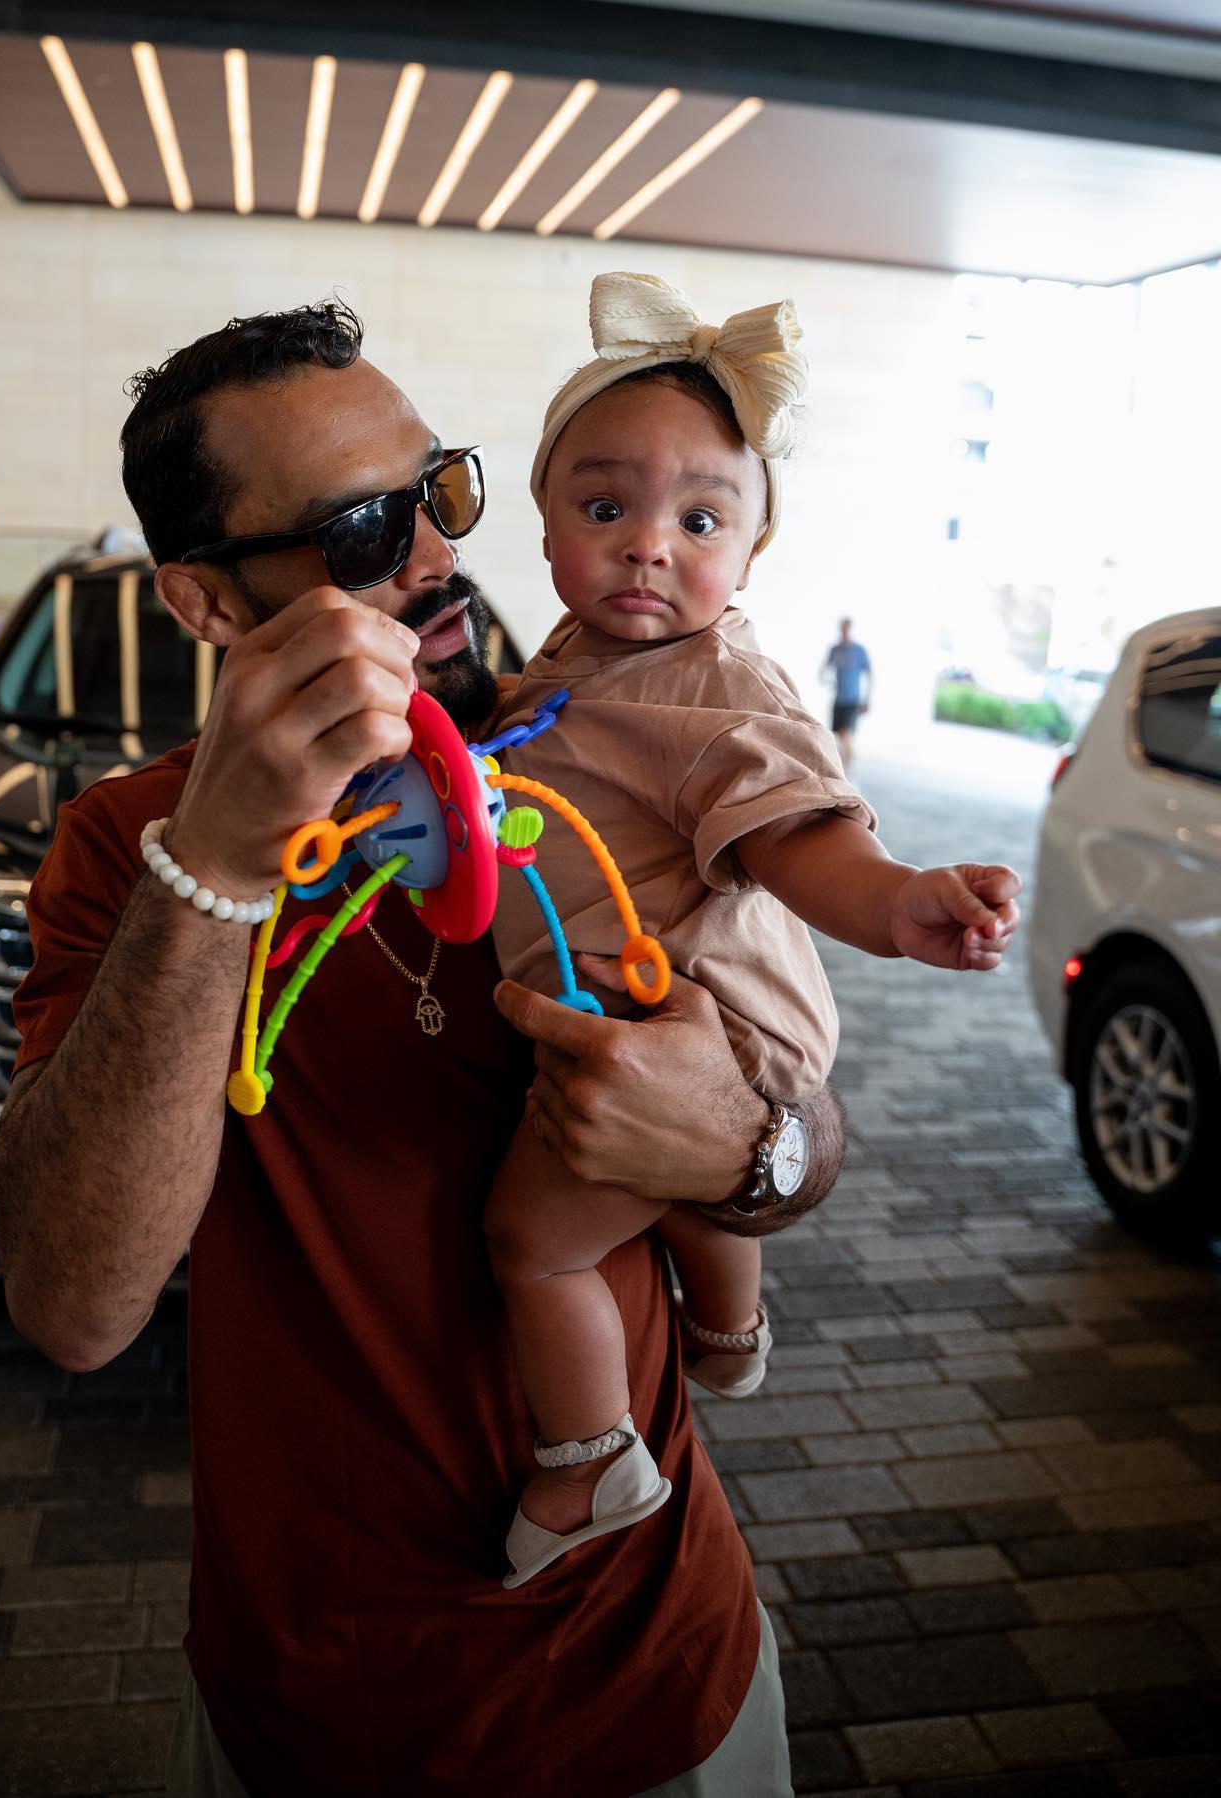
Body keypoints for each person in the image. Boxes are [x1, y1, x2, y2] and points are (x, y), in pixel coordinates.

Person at [0, 301, 849, 1798]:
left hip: (663, 1672)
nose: (439, 556)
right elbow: (75, 1303)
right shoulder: (125, 850)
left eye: (439, 492)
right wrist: (218, 864)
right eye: (366, 526)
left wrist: (752, 1144)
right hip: (320, 1707)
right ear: (204, 606)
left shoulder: (587, 761)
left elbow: (802, 1121)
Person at [483, 273, 1021, 1588]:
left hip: (705, 1021)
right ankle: (729, 1331)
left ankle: (590, 1457)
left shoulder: (718, 682)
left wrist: (893, 899)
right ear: (546, 520)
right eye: (603, 507)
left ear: (752, 550)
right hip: (688, 1023)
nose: (647, 544)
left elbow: (796, 832)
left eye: (698, 517)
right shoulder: (580, 661)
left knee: (533, 1236)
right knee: (677, 1187)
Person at [823, 616, 871, 771]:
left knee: (846, 736)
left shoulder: (858, 651)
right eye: (843, 628)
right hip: (839, 699)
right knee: (840, 737)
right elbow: (824, 671)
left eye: (847, 628)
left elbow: (870, 674)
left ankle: (848, 773)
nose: (845, 631)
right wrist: (830, 682)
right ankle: (846, 770)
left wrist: (867, 699)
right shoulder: (835, 650)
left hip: (853, 699)